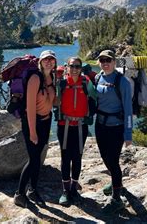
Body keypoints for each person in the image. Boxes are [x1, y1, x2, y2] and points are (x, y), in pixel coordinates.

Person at [14, 50, 57, 208]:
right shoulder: (35, 78)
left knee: (37, 158)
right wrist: (32, 132)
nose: (49, 61)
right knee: (33, 159)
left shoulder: (52, 77)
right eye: (46, 59)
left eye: (52, 59)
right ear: (40, 62)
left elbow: (53, 101)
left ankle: (33, 189)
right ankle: (19, 194)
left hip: (46, 122)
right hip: (33, 122)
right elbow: (30, 107)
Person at [94, 50, 132, 214]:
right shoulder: (97, 78)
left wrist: (128, 134)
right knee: (104, 156)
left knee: (113, 160)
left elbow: (129, 109)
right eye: (102, 60)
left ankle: (116, 198)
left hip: (116, 127)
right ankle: (116, 182)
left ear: (114, 61)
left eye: (108, 60)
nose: (105, 63)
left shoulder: (122, 81)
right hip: (100, 125)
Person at [55, 57, 96, 206]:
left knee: (77, 157)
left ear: (81, 68)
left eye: (77, 66)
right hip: (64, 125)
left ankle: (74, 189)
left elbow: (95, 98)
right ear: (67, 67)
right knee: (65, 157)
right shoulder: (62, 83)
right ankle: (65, 191)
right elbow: (53, 100)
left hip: (80, 126)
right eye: (72, 66)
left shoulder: (86, 83)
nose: (74, 69)